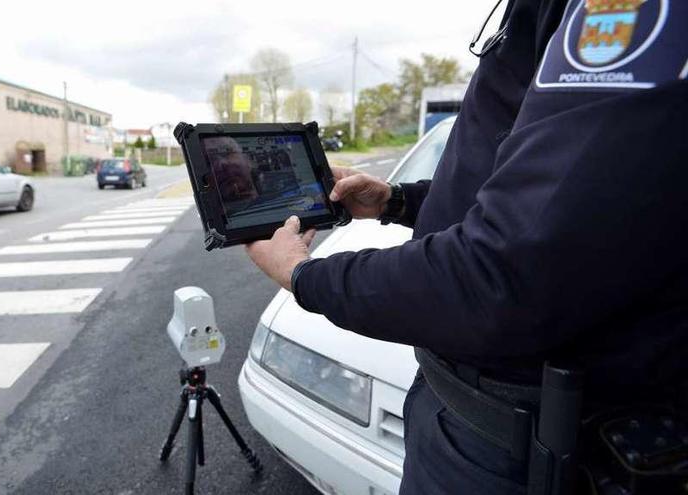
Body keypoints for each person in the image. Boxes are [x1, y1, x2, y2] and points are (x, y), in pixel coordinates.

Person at [245, 0, 687, 493]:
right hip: (471, 418)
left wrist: (304, 276)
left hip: (520, 447)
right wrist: (397, 201)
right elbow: (527, 196)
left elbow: (502, 274)